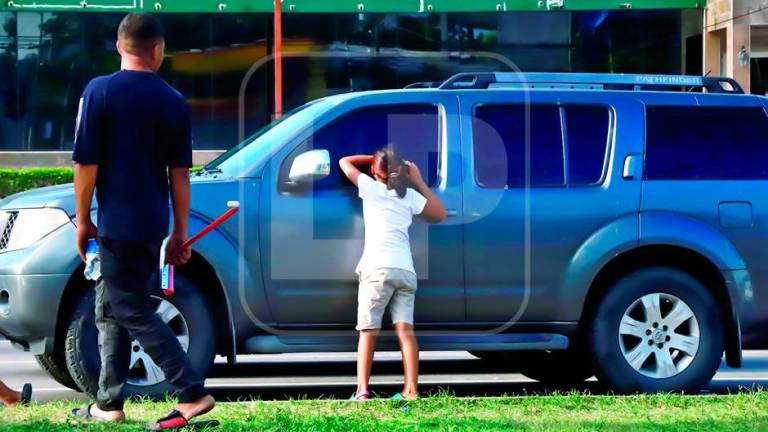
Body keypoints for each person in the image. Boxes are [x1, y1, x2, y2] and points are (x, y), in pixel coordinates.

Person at [70, 13, 215, 429]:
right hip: (153, 224)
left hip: (116, 222)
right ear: (158, 51)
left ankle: (192, 393)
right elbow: (180, 175)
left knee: (130, 307)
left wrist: (83, 220)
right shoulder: (173, 100)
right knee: (112, 308)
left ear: (119, 46)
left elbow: (86, 164)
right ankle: (109, 402)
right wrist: (181, 230)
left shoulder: (98, 92)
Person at [339, 145, 447, 401]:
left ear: (376, 172)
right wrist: (416, 177)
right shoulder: (409, 195)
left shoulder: (371, 187)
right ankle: (411, 391)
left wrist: (376, 160)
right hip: (405, 271)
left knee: (368, 332)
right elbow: (439, 214)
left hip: (377, 270)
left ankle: (363, 391)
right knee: (406, 332)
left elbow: (345, 161)